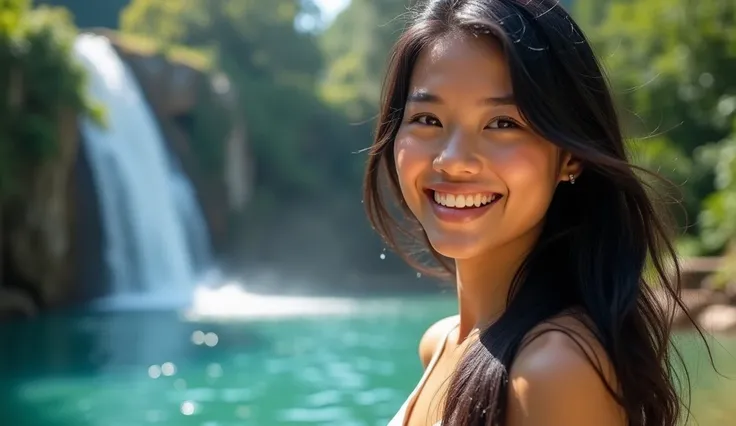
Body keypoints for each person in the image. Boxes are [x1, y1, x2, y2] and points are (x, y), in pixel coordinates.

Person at [362, 1, 711, 425]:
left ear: (570, 157)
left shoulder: (555, 370)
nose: (453, 161)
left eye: (503, 123)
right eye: (428, 119)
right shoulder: (440, 343)